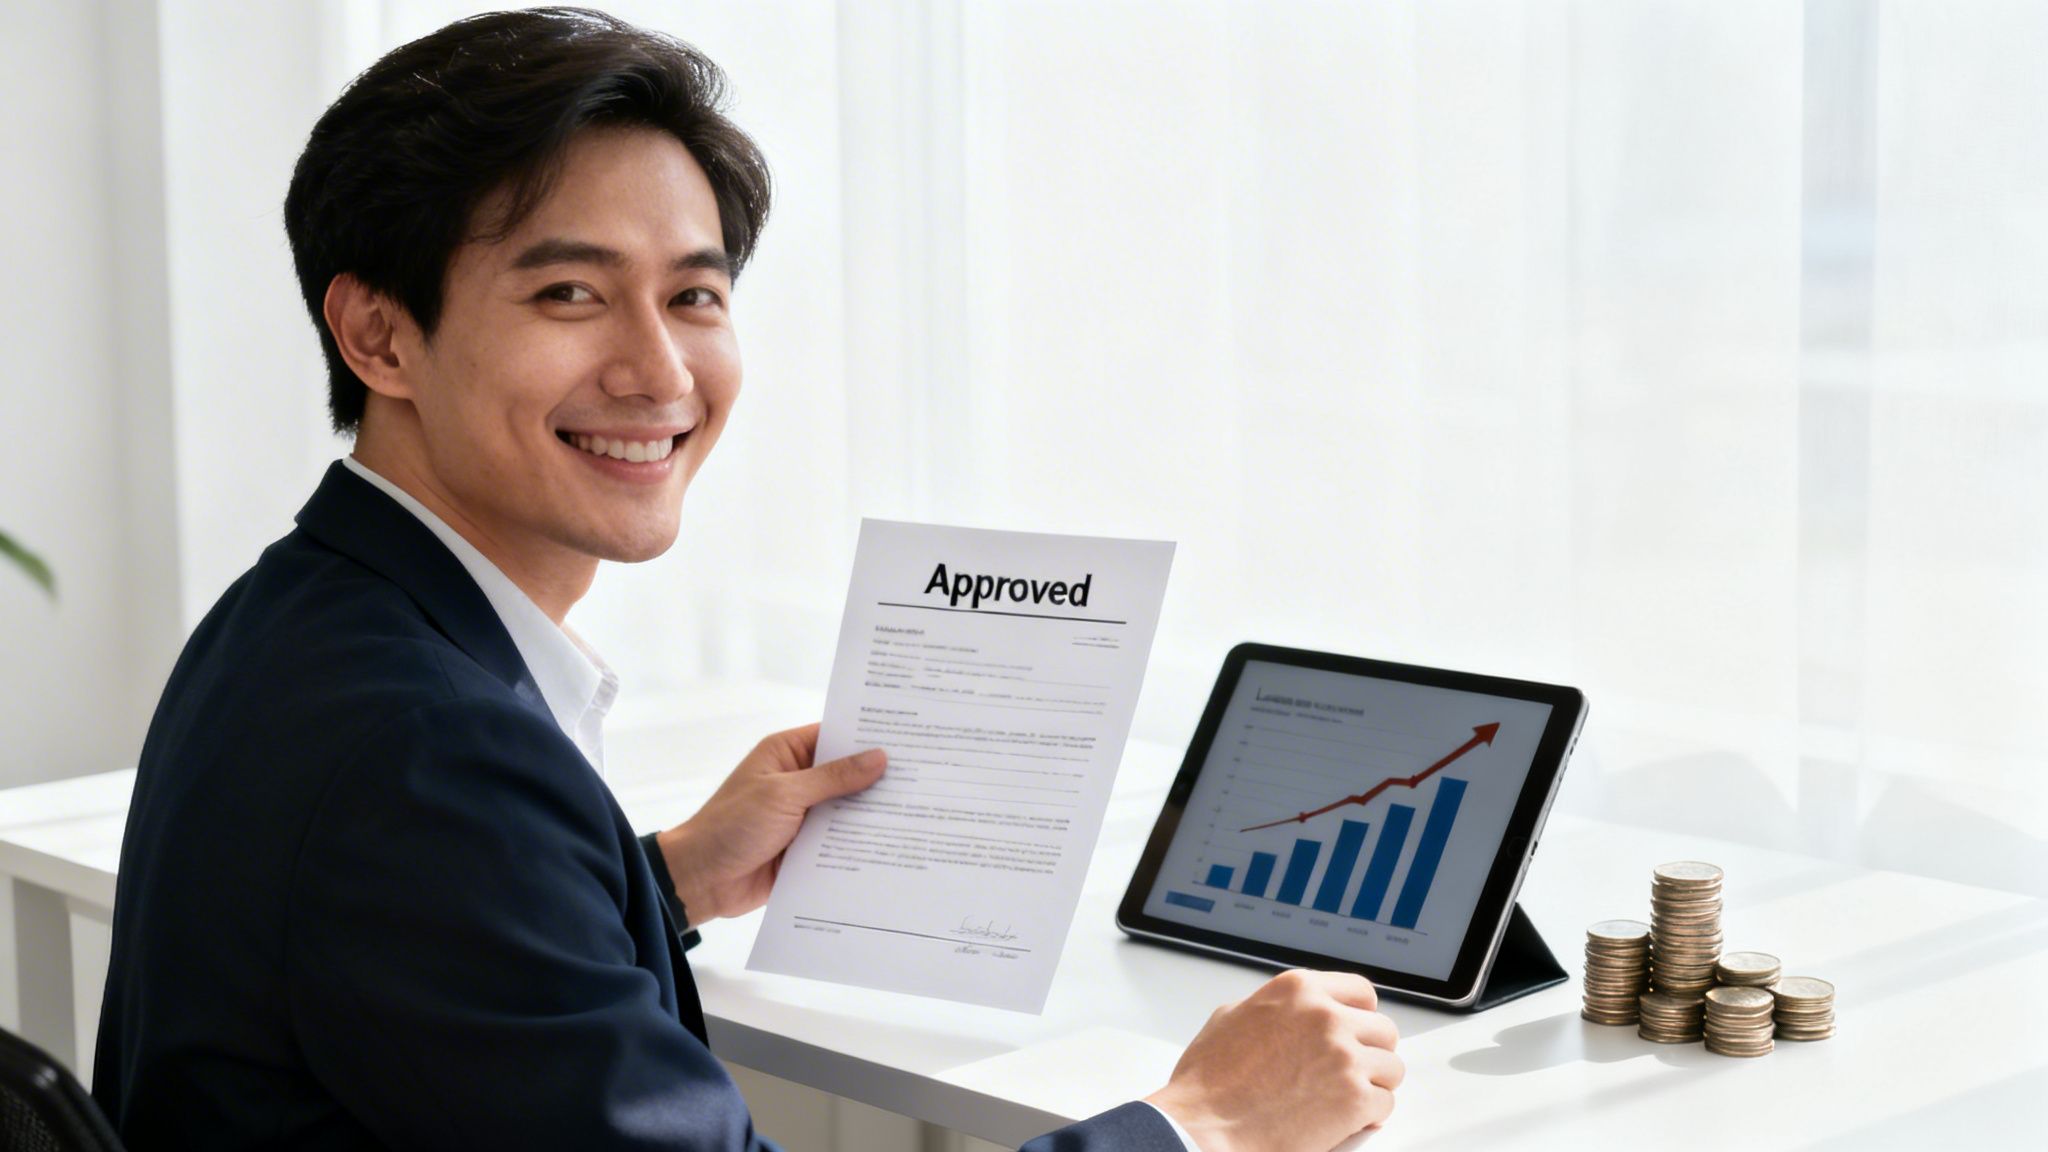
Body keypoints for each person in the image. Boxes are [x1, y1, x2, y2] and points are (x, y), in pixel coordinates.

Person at [92, 8, 1403, 1151]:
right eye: (567, 294)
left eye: (696, 297)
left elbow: (422, 968)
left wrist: (657, 882)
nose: (659, 372)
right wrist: (1205, 1124)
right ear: (380, 334)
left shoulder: (305, 616)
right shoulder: (427, 758)